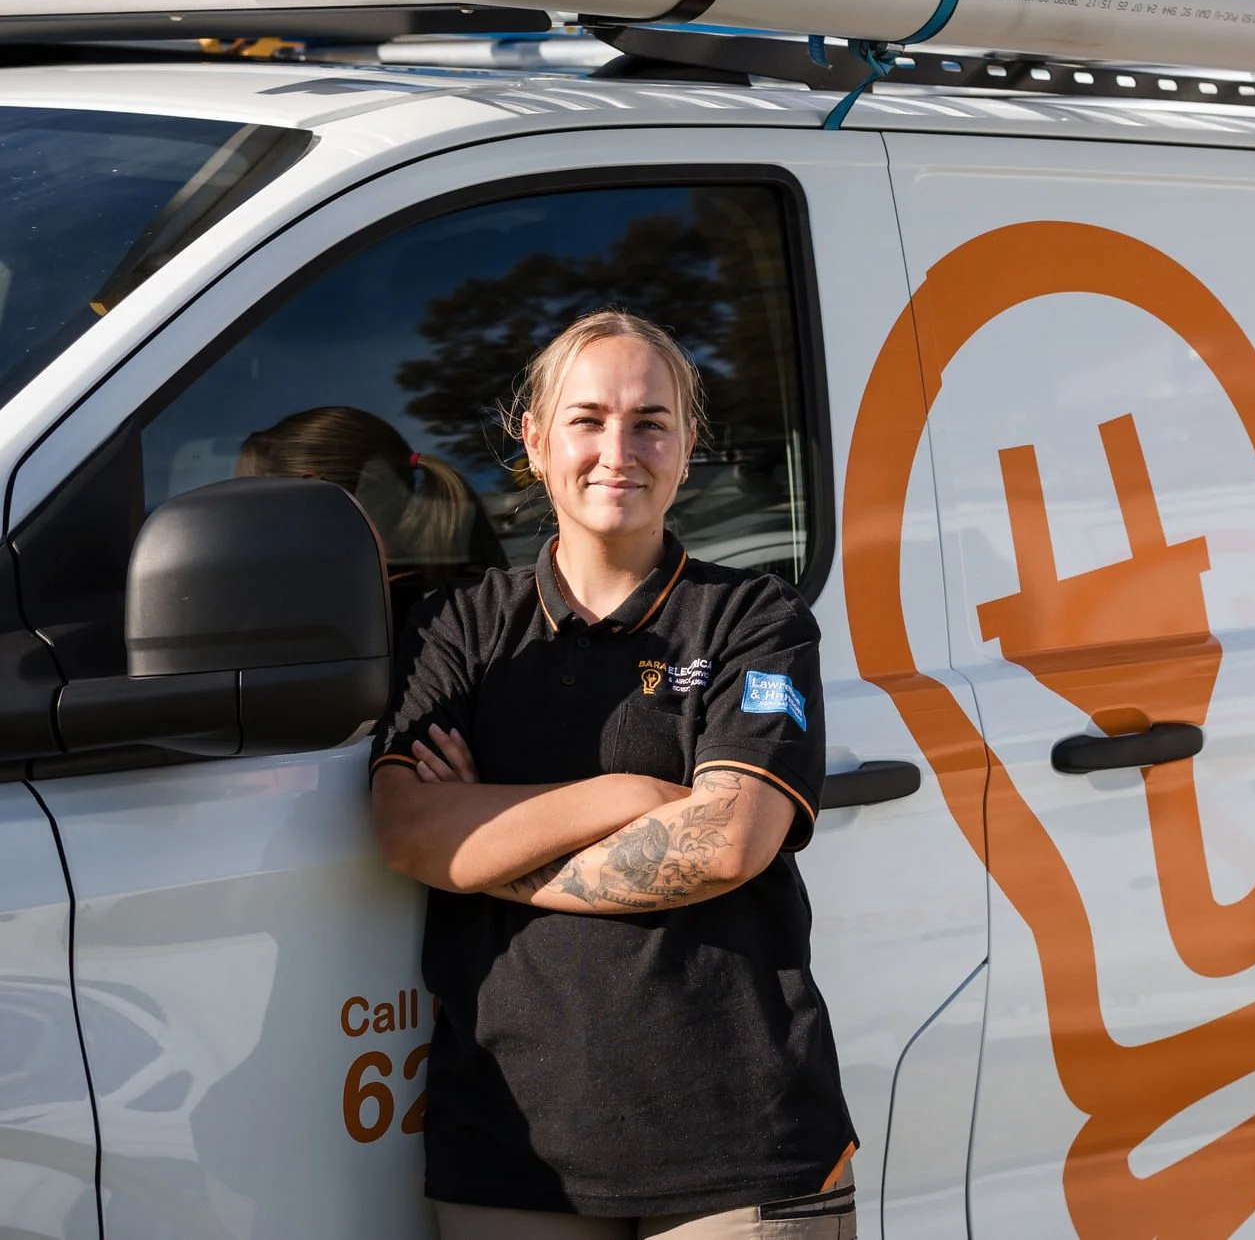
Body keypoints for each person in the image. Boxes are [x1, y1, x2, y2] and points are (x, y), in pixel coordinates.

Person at [366, 310, 855, 1239]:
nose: (617, 450)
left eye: (650, 422)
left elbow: (724, 844)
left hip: (741, 1140)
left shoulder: (754, 617)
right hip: (512, 1145)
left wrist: (480, 847)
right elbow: (406, 831)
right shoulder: (457, 626)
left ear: (687, 444)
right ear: (536, 437)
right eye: (587, 419)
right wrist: (622, 797)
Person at [236, 405, 506, 620]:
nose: (246, 534)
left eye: (259, 511)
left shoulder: (362, 622)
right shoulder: (458, 603)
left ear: (313, 502)